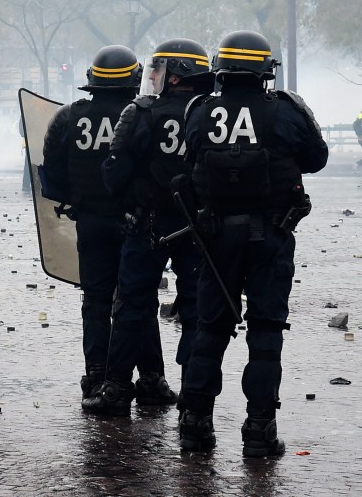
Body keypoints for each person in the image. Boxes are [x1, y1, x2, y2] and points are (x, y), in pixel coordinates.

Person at [177, 30, 328, 457]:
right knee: (265, 330)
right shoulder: (285, 110)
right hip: (271, 235)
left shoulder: (199, 109)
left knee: (210, 327)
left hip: (214, 237)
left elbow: (188, 162)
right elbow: (316, 158)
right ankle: (259, 429)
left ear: (220, 71)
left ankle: (195, 424)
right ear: (266, 72)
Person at [86, 39, 213, 416]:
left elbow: (114, 171)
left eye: (159, 71)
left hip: (147, 225)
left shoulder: (142, 113)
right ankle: (193, 396)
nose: (153, 77)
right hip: (197, 228)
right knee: (196, 310)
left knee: (132, 307)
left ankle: (117, 389)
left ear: (177, 75)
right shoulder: (208, 113)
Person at [40, 45, 152, 402]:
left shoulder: (68, 116)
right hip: (135, 222)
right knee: (138, 300)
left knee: (96, 301)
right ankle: (150, 378)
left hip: (90, 220)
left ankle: (95, 376)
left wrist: (75, 201)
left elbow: (51, 172)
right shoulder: (142, 115)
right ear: (133, 79)